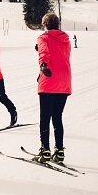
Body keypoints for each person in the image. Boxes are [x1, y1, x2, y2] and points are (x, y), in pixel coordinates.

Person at [33, 12, 72, 163]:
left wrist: (43, 65)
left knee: (45, 117)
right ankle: (59, 151)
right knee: (57, 117)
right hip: (64, 82)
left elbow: (44, 53)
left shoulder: (43, 38)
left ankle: (45, 151)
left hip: (49, 80)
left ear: (45, 25)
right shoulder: (66, 40)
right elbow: (57, 54)